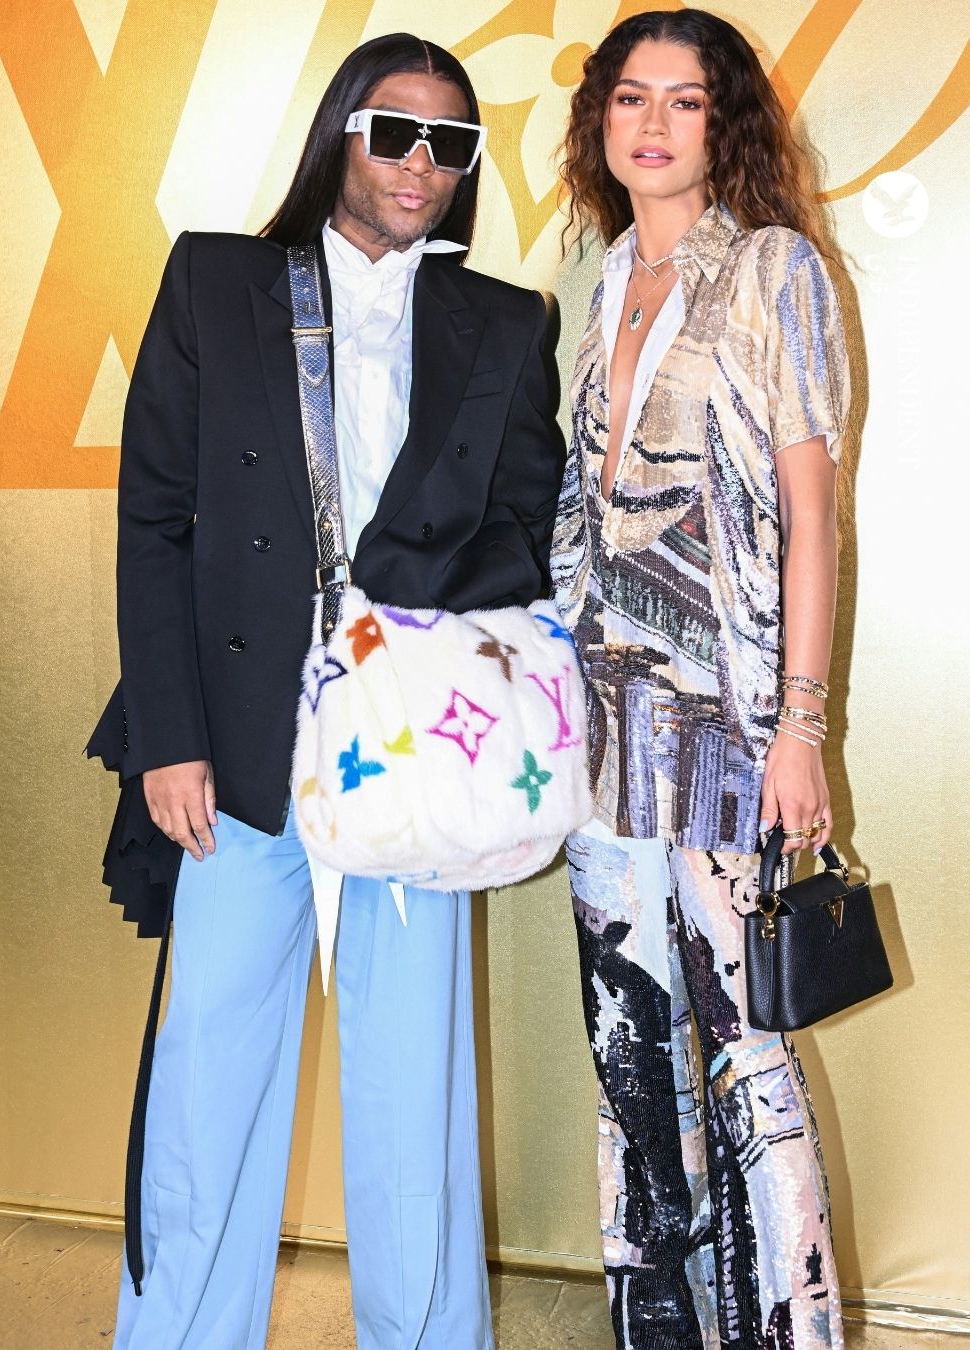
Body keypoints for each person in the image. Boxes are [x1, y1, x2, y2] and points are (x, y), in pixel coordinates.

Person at [85, 32, 564, 1350]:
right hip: (237, 754)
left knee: (417, 1100)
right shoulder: (218, 279)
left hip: (414, 756)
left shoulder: (506, 322)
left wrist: (409, 596)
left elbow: (529, 528)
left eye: (450, 143)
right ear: (341, 133)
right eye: (395, 131)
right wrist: (167, 738)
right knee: (206, 1093)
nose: (420, 163)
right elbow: (153, 521)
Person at [552, 9, 850, 1348]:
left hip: (727, 725)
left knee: (746, 1049)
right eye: (631, 97)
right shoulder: (606, 277)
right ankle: (659, 1328)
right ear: (601, 121)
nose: (653, 123)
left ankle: (790, 1329)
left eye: (684, 99)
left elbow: (811, 519)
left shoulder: (774, 270)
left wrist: (801, 727)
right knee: (629, 1044)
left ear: (721, 124)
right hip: (602, 726)